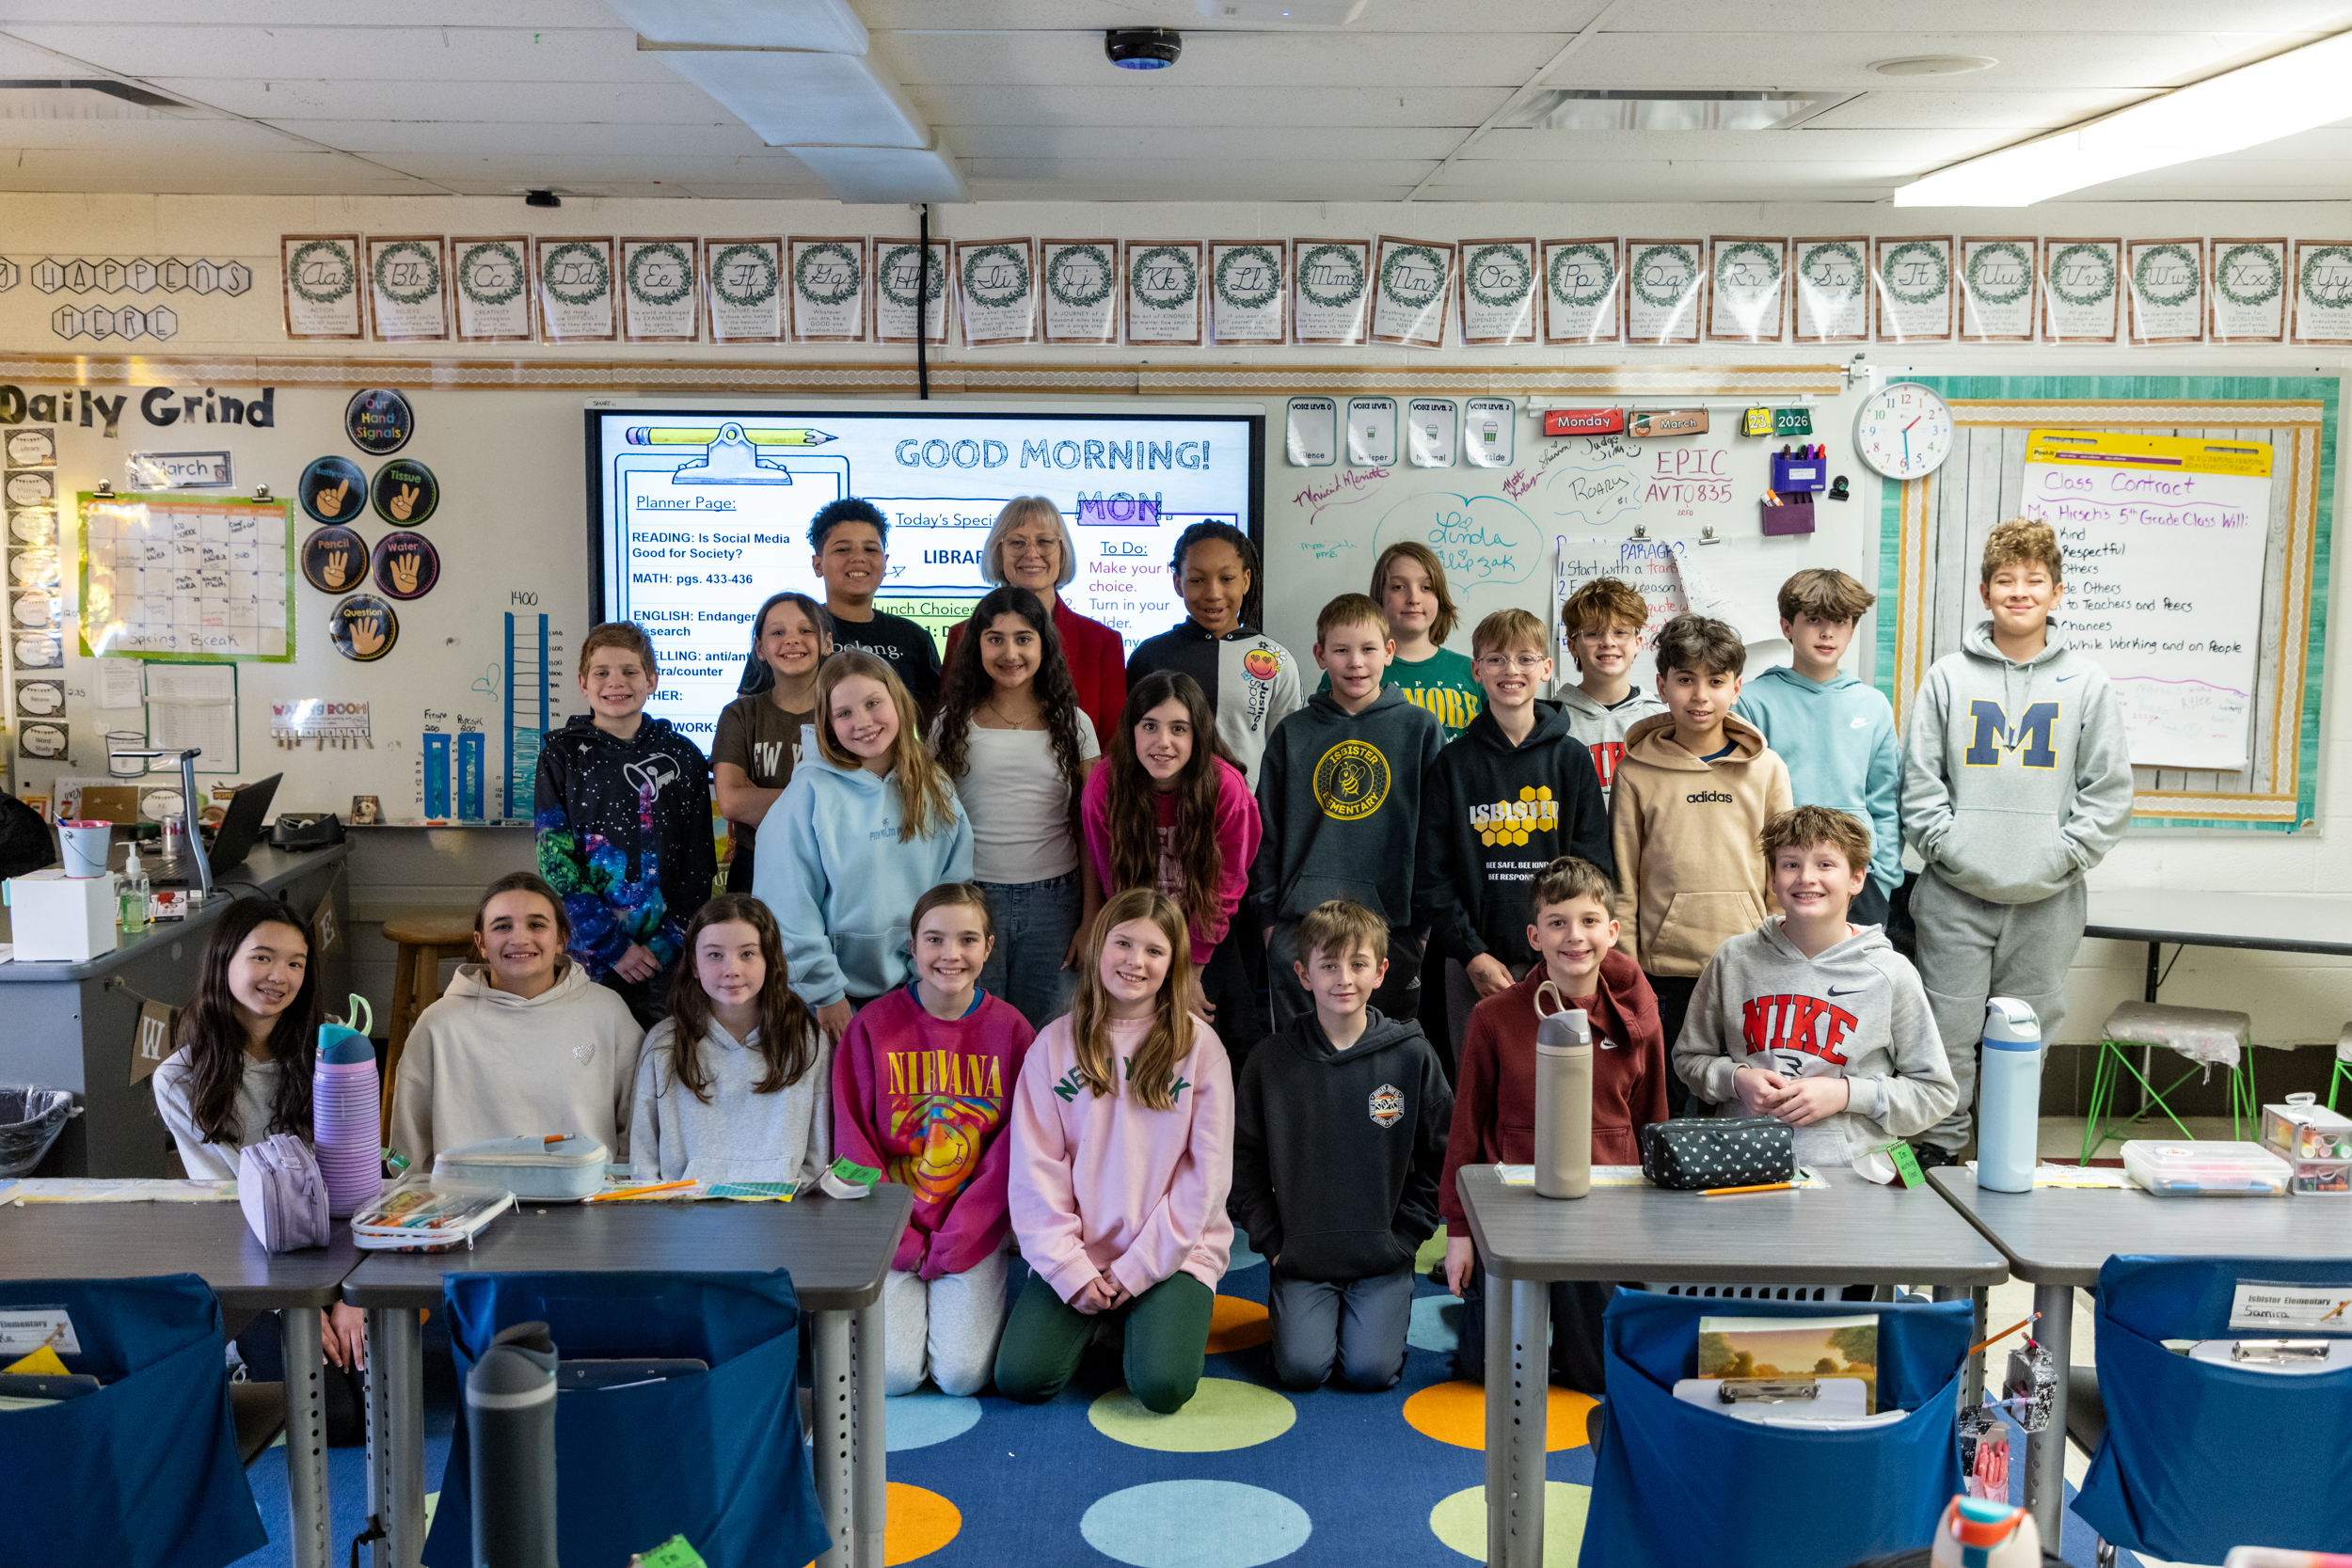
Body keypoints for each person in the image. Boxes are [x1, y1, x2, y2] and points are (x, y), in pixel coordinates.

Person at [1901, 517, 2131, 1164]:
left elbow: (2107, 791)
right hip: (1953, 895)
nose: (2020, 591)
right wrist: (1948, 847)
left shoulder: (2088, 683)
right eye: (2006, 579)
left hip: (2047, 900)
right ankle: (1940, 1153)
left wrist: (2061, 855)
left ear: (2057, 593)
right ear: (1984, 592)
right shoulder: (1947, 677)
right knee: (1945, 1035)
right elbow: (1919, 782)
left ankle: (2006, 1150)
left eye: (2035, 580)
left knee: (2023, 1034)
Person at [994, 890, 1232, 1416]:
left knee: (1162, 1388)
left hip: (1171, 1253)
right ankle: (1111, 1321)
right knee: (1021, 1378)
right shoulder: (1053, 1045)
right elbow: (1035, 1172)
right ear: (1099, 946)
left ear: (1173, 965)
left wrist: (1137, 1269)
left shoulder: (1199, 1048)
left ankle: (1138, 1320)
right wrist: (1069, 1268)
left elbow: (1206, 1180)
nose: (1135, 962)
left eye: (1154, 951)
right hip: (1082, 1248)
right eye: (1123, 943)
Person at [1440, 856, 1670, 1394]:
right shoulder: (1493, 1018)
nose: (1575, 937)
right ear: (1534, 936)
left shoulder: (1639, 1015)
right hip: (1517, 1206)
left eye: (1590, 921)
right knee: (1492, 1373)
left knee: (1595, 1375)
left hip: (1604, 1206)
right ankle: (1491, 1310)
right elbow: (1466, 1129)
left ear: (1612, 931)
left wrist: (1655, 1225)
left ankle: (1571, 1315)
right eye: (1558, 922)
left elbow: (1652, 1117)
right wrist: (1458, 1233)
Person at [1229, 899, 1450, 1393]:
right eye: (1328, 965)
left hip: (1382, 1255)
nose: (1343, 978)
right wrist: (1274, 1244)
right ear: (1304, 975)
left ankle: (1380, 1307)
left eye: (1357, 964)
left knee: (1369, 1372)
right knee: (1302, 1370)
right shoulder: (1270, 1062)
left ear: (1381, 972)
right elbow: (1243, 1163)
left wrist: (1405, 1239)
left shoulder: (1412, 1054)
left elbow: (1442, 1155)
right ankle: (1302, 1309)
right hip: (1301, 1257)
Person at [150, 896, 369, 1381]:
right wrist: (296, 1300)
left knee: (375, 1387)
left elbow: (359, 1184)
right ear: (225, 959)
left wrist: (353, 1292)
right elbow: (235, 1207)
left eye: (296, 963)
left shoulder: (332, 1048)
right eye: (262, 957)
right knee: (334, 1412)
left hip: (341, 1248)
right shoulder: (179, 1078)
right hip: (259, 1259)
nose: (280, 976)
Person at [834, 883, 1038, 1396]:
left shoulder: (1014, 1032)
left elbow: (1014, 1150)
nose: (951, 955)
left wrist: (958, 1237)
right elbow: (852, 1146)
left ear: (989, 948)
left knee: (962, 1378)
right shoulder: (872, 1027)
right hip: (891, 1229)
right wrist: (899, 1238)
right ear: (913, 944)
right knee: (895, 1377)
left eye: (967, 940)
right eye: (935, 939)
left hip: (970, 1231)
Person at [1673, 806, 1957, 1167]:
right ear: (1773, 877)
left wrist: (1847, 1094)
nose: (1807, 877)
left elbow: (1936, 1093)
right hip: (1742, 1166)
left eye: (1825, 865)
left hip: (1858, 1174)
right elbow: (1688, 1059)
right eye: (1791, 864)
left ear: (1857, 878)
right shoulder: (1733, 959)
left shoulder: (1890, 973)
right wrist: (1736, 1079)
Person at [1420, 607, 1613, 1062]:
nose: (1511, 671)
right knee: (1478, 1092)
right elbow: (1431, 877)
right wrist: (1471, 955)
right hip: (1471, 963)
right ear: (1476, 670)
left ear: (1547, 669)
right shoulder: (1452, 765)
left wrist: (1563, 946)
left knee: (1556, 1088)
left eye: (1526, 659)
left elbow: (1593, 870)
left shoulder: (1571, 760)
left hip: (1561, 959)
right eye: (1496, 659)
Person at [755, 651, 973, 1039]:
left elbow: (953, 890)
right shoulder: (808, 795)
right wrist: (826, 992)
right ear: (826, 723)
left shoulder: (934, 786)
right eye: (844, 714)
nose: (863, 722)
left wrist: (927, 973)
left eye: (873, 703)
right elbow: (787, 906)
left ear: (898, 702)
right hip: (828, 999)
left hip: (916, 987)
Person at [1254, 593, 1444, 1030]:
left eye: (1368, 649)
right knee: (1303, 1061)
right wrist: (1270, 925)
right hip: (1301, 928)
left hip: (1392, 932)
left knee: (1383, 1063)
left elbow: (1435, 837)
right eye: (1340, 650)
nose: (1355, 662)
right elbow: (1268, 833)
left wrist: (1420, 932)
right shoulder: (1292, 733)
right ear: (1320, 655)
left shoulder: (1419, 729)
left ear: (1389, 652)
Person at [1610, 612, 1793, 1055]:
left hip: (1749, 960)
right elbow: (1624, 880)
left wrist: (1779, 953)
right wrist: (1630, 968)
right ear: (1661, 685)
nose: (1700, 696)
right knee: (1665, 1103)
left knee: (1740, 1098)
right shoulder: (1634, 771)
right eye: (1686, 679)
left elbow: (1782, 871)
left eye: (1715, 681)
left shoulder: (1767, 769)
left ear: (1736, 688)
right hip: (1663, 970)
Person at [389, 870, 644, 1171]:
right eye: (502, 926)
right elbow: (408, 1149)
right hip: (467, 1206)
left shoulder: (607, 1011)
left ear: (562, 938)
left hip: (586, 1200)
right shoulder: (439, 1025)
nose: (520, 938)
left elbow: (636, 1126)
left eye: (537, 924)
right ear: (481, 943)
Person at [932, 584, 1101, 1030]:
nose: (1010, 652)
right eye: (996, 639)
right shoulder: (950, 725)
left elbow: (1088, 828)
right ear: (977, 646)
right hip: (972, 896)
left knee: (1047, 1033)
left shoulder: (1074, 724)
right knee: (976, 1030)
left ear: (1044, 644)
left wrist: (1090, 919)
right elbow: (932, 826)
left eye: (1024, 638)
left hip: (1056, 904)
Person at [534, 621, 717, 1027]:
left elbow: (699, 858)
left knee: (664, 1060)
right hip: (590, 953)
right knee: (589, 1058)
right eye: (602, 672)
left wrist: (668, 941)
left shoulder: (683, 755)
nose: (615, 682)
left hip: (666, 956)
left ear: (651, 680)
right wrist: (611, 945)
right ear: (583, 683)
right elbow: (556, 862)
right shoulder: (560, 756)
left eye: (630, 671)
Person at [1081, 671, 1262, 1046]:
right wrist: (1139, 957)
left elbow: (1224, 891)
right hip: (1139, 928)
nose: (1163, 742)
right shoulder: (1104, 785)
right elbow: (1115, 884)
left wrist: (1190, 974)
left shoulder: (1226, 788)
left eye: (1179, 729)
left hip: (1208, 930)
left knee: (1222, 1035)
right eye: (1150, 726)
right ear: (1131, 730)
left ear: (1198, 735)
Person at [1734, 569, 1902, 927]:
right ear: (1786, 626)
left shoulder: (1872, 704)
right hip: (1782, 876)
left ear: (1852, 629)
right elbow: (1744, 803)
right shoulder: (1751, 702)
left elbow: (1885, 800)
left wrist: (1883, 878)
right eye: (1814, 620)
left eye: (1840, 622)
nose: (1828, 633)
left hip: (1860, 878)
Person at [627, 894, 833, 1185]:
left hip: (782, 1217)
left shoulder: (806, 1039)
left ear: (769, 960)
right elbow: (644, 1158)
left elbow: (818, 1154)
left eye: (747, 953)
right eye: (714, 954)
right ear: (695, 966)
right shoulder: (664, 1043)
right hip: (684, 1216)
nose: (732, 969)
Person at [1124, 520, 1300, 788]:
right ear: (1178, 583)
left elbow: (1286, 758)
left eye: (1227, 579)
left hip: (1245, 816)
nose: (1213, 594)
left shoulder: (1275, 660)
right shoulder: (1149, 658)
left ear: (1246, 580)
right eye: (1197, 580)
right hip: (1165, 818)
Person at [942, 497, 1129, 737]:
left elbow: (1113, 743)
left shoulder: (1103, 642)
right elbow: (950, 730)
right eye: (1017, 542)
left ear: (1063, 552)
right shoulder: (962, 635)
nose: (1031, 553)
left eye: (1044, 541)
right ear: (998, 554)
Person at [712, 591, 832, 894]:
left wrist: (760, 798)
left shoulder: (845, 714)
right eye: (777, 632)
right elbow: (732, 803)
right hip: (754, 868)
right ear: (759, 648)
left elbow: (856, 804)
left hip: (830, 867)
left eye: (806, 630)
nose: (792, 640)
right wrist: (822, 799)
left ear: (827, 643)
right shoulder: (739, 715)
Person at [1314, 540, 1482, 738]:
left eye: (1426, 587)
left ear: (1440, 597)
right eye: (1399, 587)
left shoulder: (1472, 672)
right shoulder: (1349, 672)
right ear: (1379, 595)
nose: (1413, 598)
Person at [808, 497, 942, 718]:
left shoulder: (912, 637)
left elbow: (936, 729)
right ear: (818, 564)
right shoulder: (795, 633)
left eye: (870, 549)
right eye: (842, 550)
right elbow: (753, 714)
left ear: (885, 562)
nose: (858, 558)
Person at [1555, 576, 1665, 800]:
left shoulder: (1661, 720)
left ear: (1637, 643)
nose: (1608, 642)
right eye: (1594, 633)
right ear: (1573, 646)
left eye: (1620, 632)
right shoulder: (1552, 721)